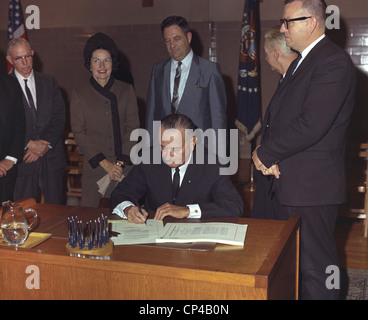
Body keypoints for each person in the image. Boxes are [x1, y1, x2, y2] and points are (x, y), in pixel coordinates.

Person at [252, 0, 356, 300]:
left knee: (318, 272)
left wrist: (265, 154)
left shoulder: (333, 62)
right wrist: (268, 153)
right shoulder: (301, 61)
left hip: (313, 189)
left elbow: (311, 124)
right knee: (293, 269)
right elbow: (282, 119)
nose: (282, 28)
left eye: (288, 22)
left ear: (311, 22)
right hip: (289, 182)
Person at [111, 113, 243, 223]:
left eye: (176, 148)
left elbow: (234, 205)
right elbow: (121, 193)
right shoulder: (149, 159)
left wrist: (187, 210)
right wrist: (128, 209)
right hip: (155, 238)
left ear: (192, 143)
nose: (168, 155)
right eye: (163, 147)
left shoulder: (212, 165)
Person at [70, 33, 140, 207]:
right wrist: (106, 164)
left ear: (113, 63)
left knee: (126, 216)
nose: (102, 66)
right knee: (91, 219)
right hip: (95, 168)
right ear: (89, 64)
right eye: (96, 60)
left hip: (124, 166)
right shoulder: (79, 93)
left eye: (106, 60)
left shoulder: (127, 90)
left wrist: (119, 164)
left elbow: (133, 128)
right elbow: (79, 133)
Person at [145, 15, 227, 154]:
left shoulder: (209, 70)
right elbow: (151, 117)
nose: (172, 45)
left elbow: (218, 120)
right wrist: (149, 153)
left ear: (188, 37)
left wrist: (218, 160)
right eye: (167, 41)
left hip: (199, 151)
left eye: (176, 38)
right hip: (165, 153)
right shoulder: (158, 71)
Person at [7, 38, 66, 204]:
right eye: (19, 58)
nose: (25, 62)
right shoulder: (4, 86)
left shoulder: (49, 82)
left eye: (28, 56)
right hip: (23, 161)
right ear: (10, 60)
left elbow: (59, 117)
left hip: (51, 158)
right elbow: (5, 125)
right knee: (23, 213)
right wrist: (28, 144)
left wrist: (43, 145)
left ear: (33, 54)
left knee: (57, 212)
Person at [251, 26, 298, 219]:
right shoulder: (286, 79)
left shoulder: (298, 81)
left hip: (286, 173)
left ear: (276, 53)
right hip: (272, 167)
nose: (265, 58)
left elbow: (294, 128)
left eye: (266, 53)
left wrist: (268, 154)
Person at [0, 73, 26, 203]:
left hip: (5, 169)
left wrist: (10, 159)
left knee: (4, 218)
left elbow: (19, 126)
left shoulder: (11, 84)